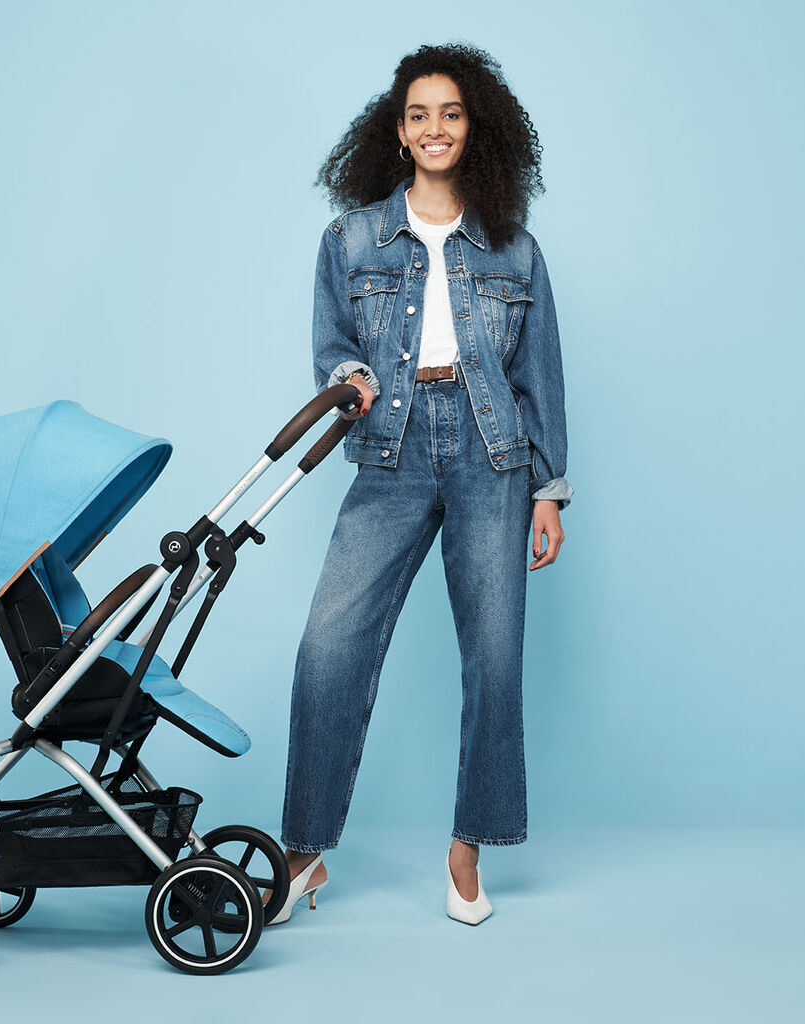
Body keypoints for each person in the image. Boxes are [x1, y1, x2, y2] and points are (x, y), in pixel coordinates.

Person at [273, 42, 569, 927]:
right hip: (391, 447)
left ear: (474, 128)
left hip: (492, 454)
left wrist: (548, 491)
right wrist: (351, 377)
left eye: (451, 113)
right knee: (330, 646)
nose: (434, 128)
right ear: (397, 133)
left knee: (494, 656)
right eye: (418, 115)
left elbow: (540, 375)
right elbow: (333, 344)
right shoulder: (351, 238)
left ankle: (467, 849)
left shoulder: (515, 248)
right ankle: (302, 854)